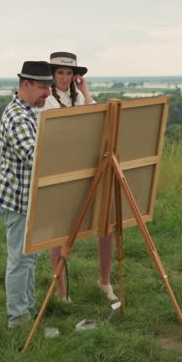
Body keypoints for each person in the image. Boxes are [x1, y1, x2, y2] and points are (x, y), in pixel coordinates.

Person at [42, 51, 117, 304]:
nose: (64, 78)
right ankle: (61, 291)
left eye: (69, 73)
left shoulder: (79, 95)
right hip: (62, 168)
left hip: (89, 165)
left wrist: (85, 92)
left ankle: (104, 281)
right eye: (60, 73)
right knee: (60, 232)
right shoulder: (46, 97)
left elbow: (98, 117)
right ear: (52, 75)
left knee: (105, 225)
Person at [0, 60, 52, 329]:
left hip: (29, 200)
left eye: (49, 87)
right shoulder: (18, 116)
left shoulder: (29, 112)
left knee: (29, 259)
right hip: (18, 201)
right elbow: (34, 156)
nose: (48, 93)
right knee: (20, 260)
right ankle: (19, 320)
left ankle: (27, 309)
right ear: (25, 84)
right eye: (42, 87)